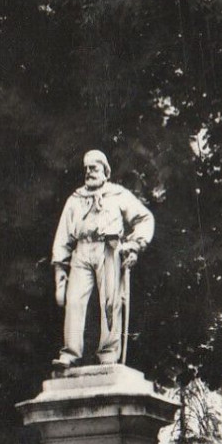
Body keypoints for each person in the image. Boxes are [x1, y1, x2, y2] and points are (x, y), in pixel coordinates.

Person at [50, 149, 154, 367]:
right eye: (86, 168)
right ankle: (70, 354)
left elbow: (144, 218)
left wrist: (134, 245)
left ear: (105, 171)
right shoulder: (75, 199)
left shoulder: (118, 194)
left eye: (94, 168)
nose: (89, 172)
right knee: (74, 301)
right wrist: (60, 272)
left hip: (109, 249)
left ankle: (108, 354)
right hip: (82, 250)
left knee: (110, 301)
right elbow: (63, 235)